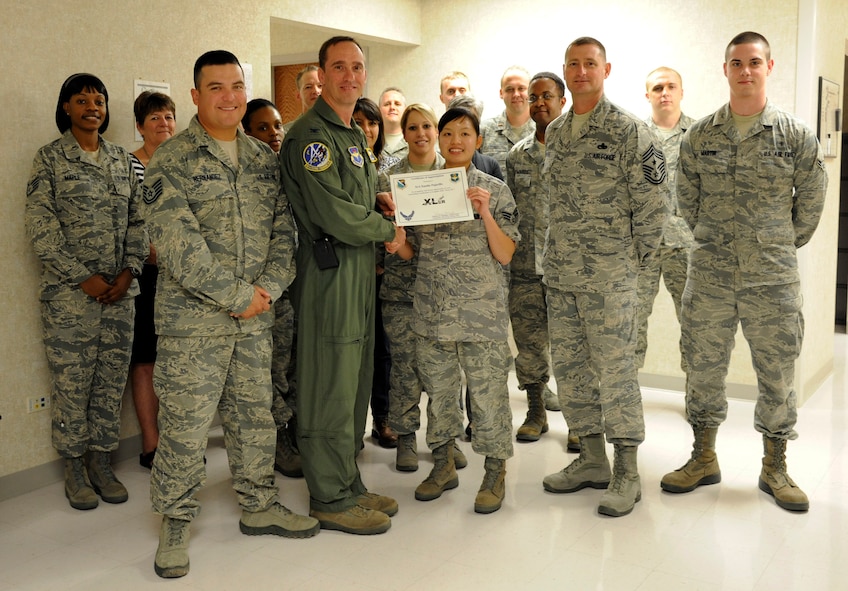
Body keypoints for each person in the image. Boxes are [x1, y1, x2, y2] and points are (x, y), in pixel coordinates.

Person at [143, 50, 318, 579]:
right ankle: (175, 521)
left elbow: (283, 237)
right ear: (195, 96)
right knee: (186, 428)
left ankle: (259, 504)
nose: (229, 97)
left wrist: (265, 288)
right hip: (192, 324)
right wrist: (236, 294)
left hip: (254, 318)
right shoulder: (170, 160)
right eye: (215, 87)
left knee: (253, 418)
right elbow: (177, 245)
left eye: (237, 86)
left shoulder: (266, 160)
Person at [662, 32, 827, 513]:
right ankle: (703, 456)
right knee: (703, 367)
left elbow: (812, 198)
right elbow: (684, 197)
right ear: (726, 69)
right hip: (709, 272)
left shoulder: (794, 134)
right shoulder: (701, 134)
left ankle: (774, 465)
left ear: (768, 68)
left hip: (772, 277)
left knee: (775, 372)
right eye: (737, 63)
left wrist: (778, 241)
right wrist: (712, 237)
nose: (745, 71)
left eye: (755, 62)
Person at [281, 36, 406, 535]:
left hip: (358, 270)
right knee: (329, 382)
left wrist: (379, 205)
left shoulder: (352, 133)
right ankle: (328, 496)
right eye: (339, 67)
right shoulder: (310, 135)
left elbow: (354, 199)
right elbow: (331, 212)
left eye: (357, 67)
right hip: (330, 272)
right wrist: (386, 230)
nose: (350, 76)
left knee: (353, 380)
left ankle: (348, 483)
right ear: (322, 72)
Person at [541, 37, 668, 518]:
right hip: (562, 277)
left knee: (616, 376)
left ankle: (628, 469)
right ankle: (592, 459)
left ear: (606, 69)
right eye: (572, 64)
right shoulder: (555, 131)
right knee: (571, 373)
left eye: (589, 64)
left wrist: (632, 270)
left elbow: (654, 210)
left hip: (612, 279)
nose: (580, 71)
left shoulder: (630, 132)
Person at [26, 73, 146, 511]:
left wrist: (129, 272)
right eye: (82, 100)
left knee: (110, 383)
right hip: (69, 299)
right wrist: (83, 277)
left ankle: (102, 462)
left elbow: (139, 220)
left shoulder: (120, 160)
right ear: (66, 108)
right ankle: (74, 469)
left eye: (99, 100)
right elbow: (41, 230)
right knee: (73, 384)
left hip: (120, 296)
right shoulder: (50, 160)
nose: (92, 106)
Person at [406, 106, 519, 514]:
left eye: (465, 134)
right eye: (448, 133)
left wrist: (485, 211)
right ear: (438, 138)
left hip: (480, 314)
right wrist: (395, 237)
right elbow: (409, 251)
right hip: (432, 311)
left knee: (488, 396)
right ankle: (442, 464)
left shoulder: (494, 189)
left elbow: (505, 254)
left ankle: (494, 473)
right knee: (438, 395)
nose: (456, 141)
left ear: (478, 141)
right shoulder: (419, 188)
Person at [376, 103, 467, 473]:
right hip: (401, 291)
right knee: (404, 368)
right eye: (412, 128)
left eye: (428, 126)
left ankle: (445, 440)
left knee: (446, 371)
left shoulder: (451, 176)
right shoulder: (388, 181)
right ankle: (406, 438)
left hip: (444, 290)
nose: (421, 134)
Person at [505, 72, 571, 442]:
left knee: (571, 348)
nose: (539, 103)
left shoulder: (579, 151)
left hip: (569, 269)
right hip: (527, 266)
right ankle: (535, 410)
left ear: (563, 101)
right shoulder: (518, 156)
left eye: (547, 96)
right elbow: (510, 211)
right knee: (529, 344)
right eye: (533, 98)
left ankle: (579, 421)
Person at [242, 98, 302, 478]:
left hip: (288, 285)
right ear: (247, 132)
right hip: (255, 292)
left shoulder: (289, 170)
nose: (274, 134)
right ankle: (277, 439)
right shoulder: (246, 174)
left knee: (290, 364)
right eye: (263, 128)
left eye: (278, 126)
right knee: (268, 370)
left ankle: (294, 431)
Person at [634, 67, 696, 378]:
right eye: (658, 88)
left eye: (672, 86)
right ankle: (624, 390)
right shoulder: (634, 135)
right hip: (641, 246)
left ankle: (697, 392)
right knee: (631, 318)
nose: (665, 93)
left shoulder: (699, 135)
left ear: (682, 92)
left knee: (694, 320)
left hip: (685, 244)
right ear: (648, 95)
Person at [129, 90, 177, 470]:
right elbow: (127, 222)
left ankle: (180, 443)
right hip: (146, 275)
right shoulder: (129, 166)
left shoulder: (182, 163)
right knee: (145, 361)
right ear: (140, 126)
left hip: (183, 276)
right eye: (155, 118)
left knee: (178, 360)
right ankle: (151, 443)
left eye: (168, 117)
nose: (164, 124)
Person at [352, 96, 399, 449]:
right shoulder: (347, 166)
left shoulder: (388, 171)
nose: (367, 130)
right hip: (351, 274)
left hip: (384, 273)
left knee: (383, 351)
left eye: (373, 124)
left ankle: (381, 418)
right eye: (359, 122)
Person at [481, 66, 535, 171]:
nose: (516, 94)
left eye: (521, 88)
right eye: (509, 89)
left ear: (531, 91)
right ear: (501, 93)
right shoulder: (483, 131)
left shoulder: (544, 130)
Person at [448, 94, 504, 181]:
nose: (464, 124)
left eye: (470, 119)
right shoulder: (435, 163)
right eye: (457, 119)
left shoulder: (490, 165)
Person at [283, 65, 322, 133]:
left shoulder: (341, 129)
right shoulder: (287, 132)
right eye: (308, 87)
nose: (316, 91)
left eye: (320, 86)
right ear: (298, 95)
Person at [379, 87, 409, 159]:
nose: (392, 107)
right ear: (378, 109)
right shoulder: (372, 140)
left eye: (397, 104)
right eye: (387, 104)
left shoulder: (414, 140)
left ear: (405, 109)